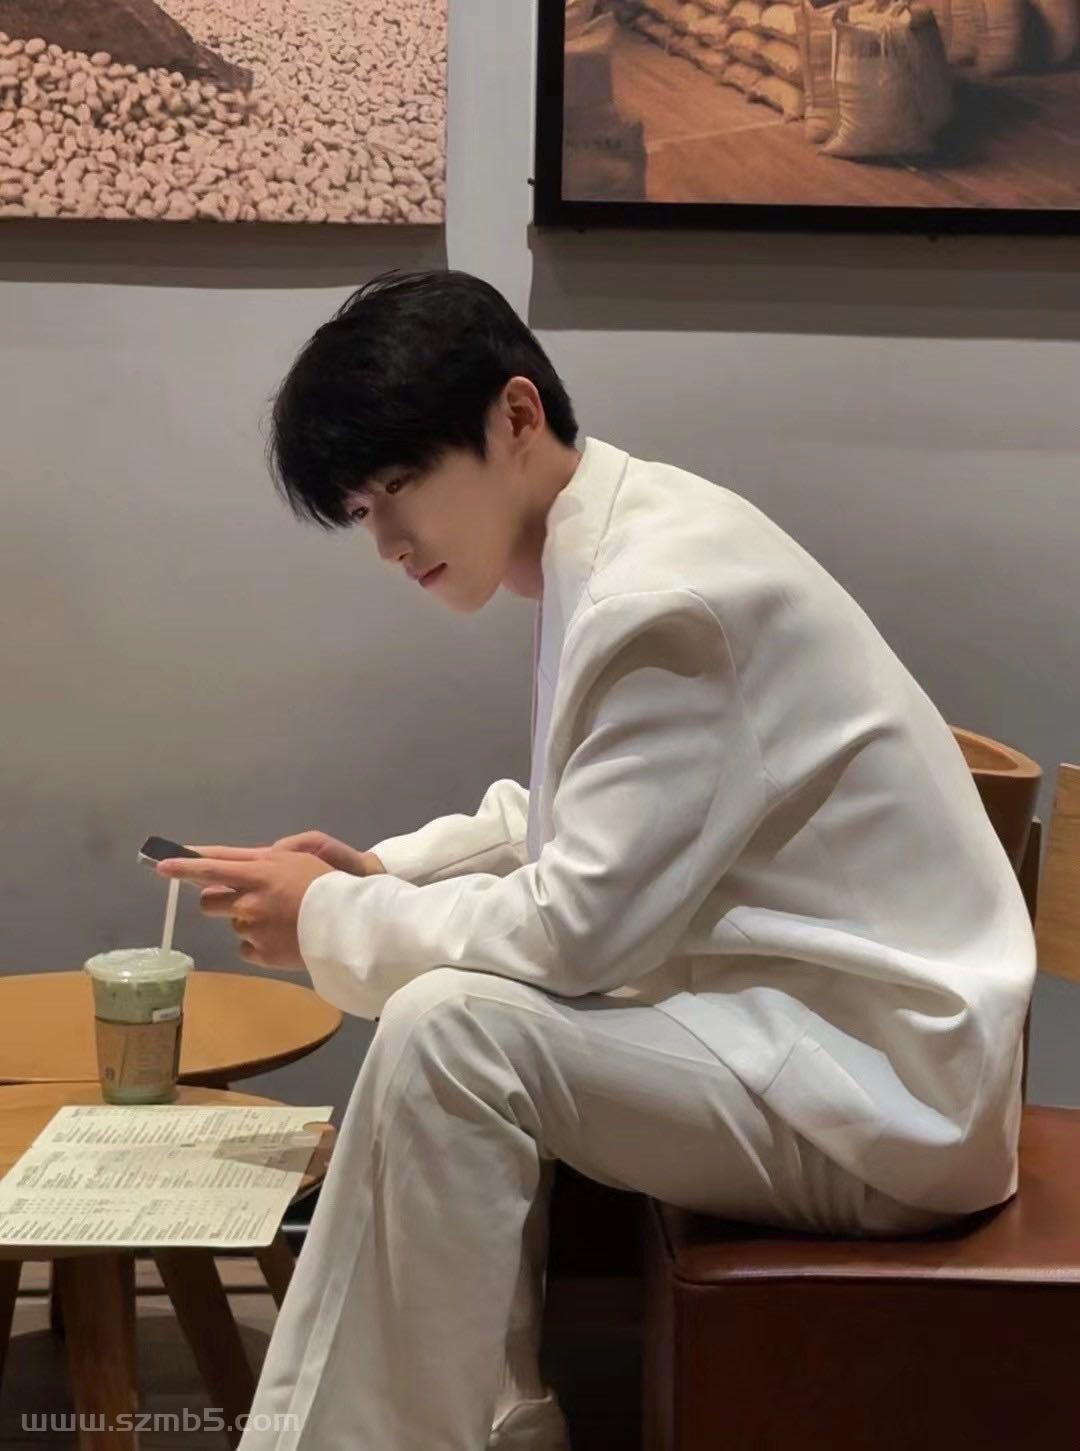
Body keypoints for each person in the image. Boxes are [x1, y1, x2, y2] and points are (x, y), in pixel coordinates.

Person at [158, 269, 1036, 1451]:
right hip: (819, 1036)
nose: (388, 541)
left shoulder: (658, 594)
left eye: (401, 484)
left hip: (881, 1098)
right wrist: (380, 876)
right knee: (458, 1018)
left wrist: (329, 918)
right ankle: (484, 1417)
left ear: (516, 415)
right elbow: (583, 815)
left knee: (452, 1034)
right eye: (363, 509)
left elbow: (577, 931)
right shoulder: (624, 539)